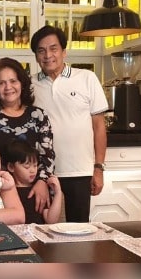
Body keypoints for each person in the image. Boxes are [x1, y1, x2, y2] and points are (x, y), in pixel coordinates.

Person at [30, 25, 108, 222]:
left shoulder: (86, 78)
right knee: (43, 228)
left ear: (64, 51)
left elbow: (99, 127)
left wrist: (98, 168)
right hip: (42, 173)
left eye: (53, 48)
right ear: (36, 56)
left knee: (78, 229)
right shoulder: (29, 85)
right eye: (41, 50)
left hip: (79, 171)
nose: (48, 55)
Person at [0, 57, 55, 213]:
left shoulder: (38, 116)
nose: (8, 87)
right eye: (1, 83)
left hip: (33, 190)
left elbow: (47, 155)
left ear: (22, 83)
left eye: (13, 81)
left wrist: (42, 181)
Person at [5, 140, 62, 224]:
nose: (32, 170)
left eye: (35, 166)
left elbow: (51, 220)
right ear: (11, 167)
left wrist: (58, 193)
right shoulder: (6, 191)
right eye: (27, 167)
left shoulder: (40, 190)